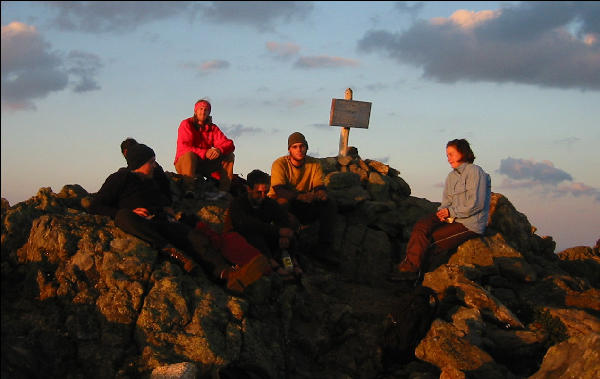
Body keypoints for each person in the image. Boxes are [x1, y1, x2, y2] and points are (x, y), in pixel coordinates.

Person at [89, 143, 266, 293]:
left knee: (197, 239)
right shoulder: (120, 178)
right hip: (142, 223)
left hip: (163, 221)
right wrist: (132, 212)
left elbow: (163, 197)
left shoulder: (151, 180)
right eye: (151, 162)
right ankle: (171, 252)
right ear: (139, 163)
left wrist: (166, 208)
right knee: (123, 216)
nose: (154, 165)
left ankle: (227, 276)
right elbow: (96, 206)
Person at [389, 138, 491, 281]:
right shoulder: (451, 176)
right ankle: (409, 266)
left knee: (434, 240)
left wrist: (451, 212)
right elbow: (446, 201)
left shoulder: (475, 171)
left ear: (463, 152)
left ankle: (415, 276)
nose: (448, 158)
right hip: (452, 217)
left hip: (470, 223)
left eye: (451, 154)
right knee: (421, 226)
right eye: (447, 155)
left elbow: (476, 203)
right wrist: (443, 212)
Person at [268, 132, 338, 265]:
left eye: (302, 146)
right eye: (295, 147)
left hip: (303, 203)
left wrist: (321, 193)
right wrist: (299, 196)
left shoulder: (314, 163)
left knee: (329, 203)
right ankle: (283, 248)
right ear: (289, 149)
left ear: (306, 147)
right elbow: (278, 190)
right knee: (282, 203)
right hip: (282, 203)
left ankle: (324, 248)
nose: (299, 150)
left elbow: (318, 185)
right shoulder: (279, 163)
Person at [230, 169, 301, 276]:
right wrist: (278, 231)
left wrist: (284, 235)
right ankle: (273, 265)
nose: (263, 196)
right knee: (254, 237)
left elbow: (282, 218)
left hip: (265, 236)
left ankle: (292, 261)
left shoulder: (269, 203)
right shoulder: (238, 203)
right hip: (245, 239)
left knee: (289, 235)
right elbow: (246, 224)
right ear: (248, 189)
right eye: (259, 192)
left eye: (266, 192)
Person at [174, 99, 235, 194]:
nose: (203, 112)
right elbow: (184, 147)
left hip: (204, 164)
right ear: (195, 111)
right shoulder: (186, 124)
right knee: (190, 155)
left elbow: (229, 144)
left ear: (209, 112)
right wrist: (205, 152)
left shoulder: (213, 128)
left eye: (206, 110)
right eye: (201, 109)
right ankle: (189, 190)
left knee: (229, 155)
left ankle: (224, 191)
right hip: (185, 163)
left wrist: (219, 150)